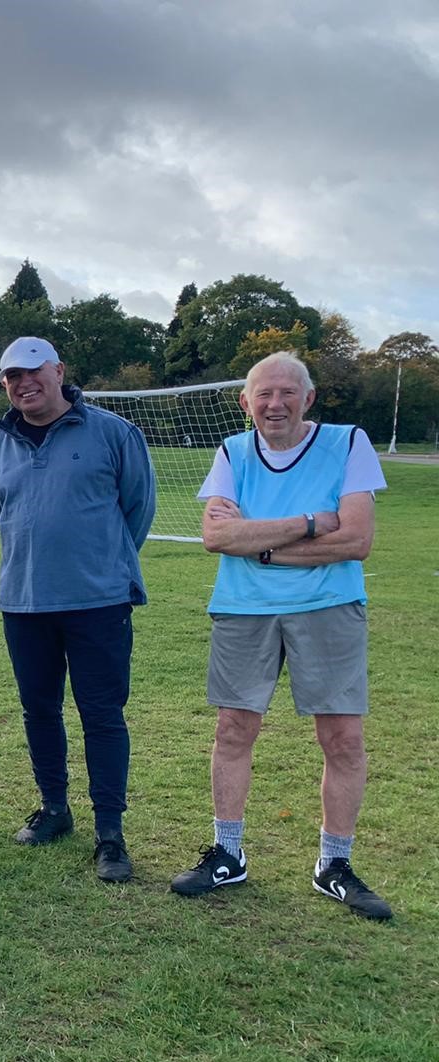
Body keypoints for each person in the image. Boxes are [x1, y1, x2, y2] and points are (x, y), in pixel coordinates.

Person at [171, 352, 391, 920]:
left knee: (341, 738)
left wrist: (262, 546)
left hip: (330, 606)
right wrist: (313, 522)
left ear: (308, 399)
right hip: (244, 609)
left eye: (287, 393)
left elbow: (357, 540)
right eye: (263, 394)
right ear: (246, 402)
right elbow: (217, 539)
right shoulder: (232, 452)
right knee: (233, 728)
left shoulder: (348, 443)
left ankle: (333, 863)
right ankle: (227, 852)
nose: (275, 404)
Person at [0, 337, 155, 883]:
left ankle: (110, 833)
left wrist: (99, 563)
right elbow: (0, 510)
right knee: (39, 711)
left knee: (101, 716)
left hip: (98, 602)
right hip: (25, 601)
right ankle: (54, 808)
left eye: (33, 371)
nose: (23, 383)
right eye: (11, 376)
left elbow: (137, 509)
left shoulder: (113, 433)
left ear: (58, 371)